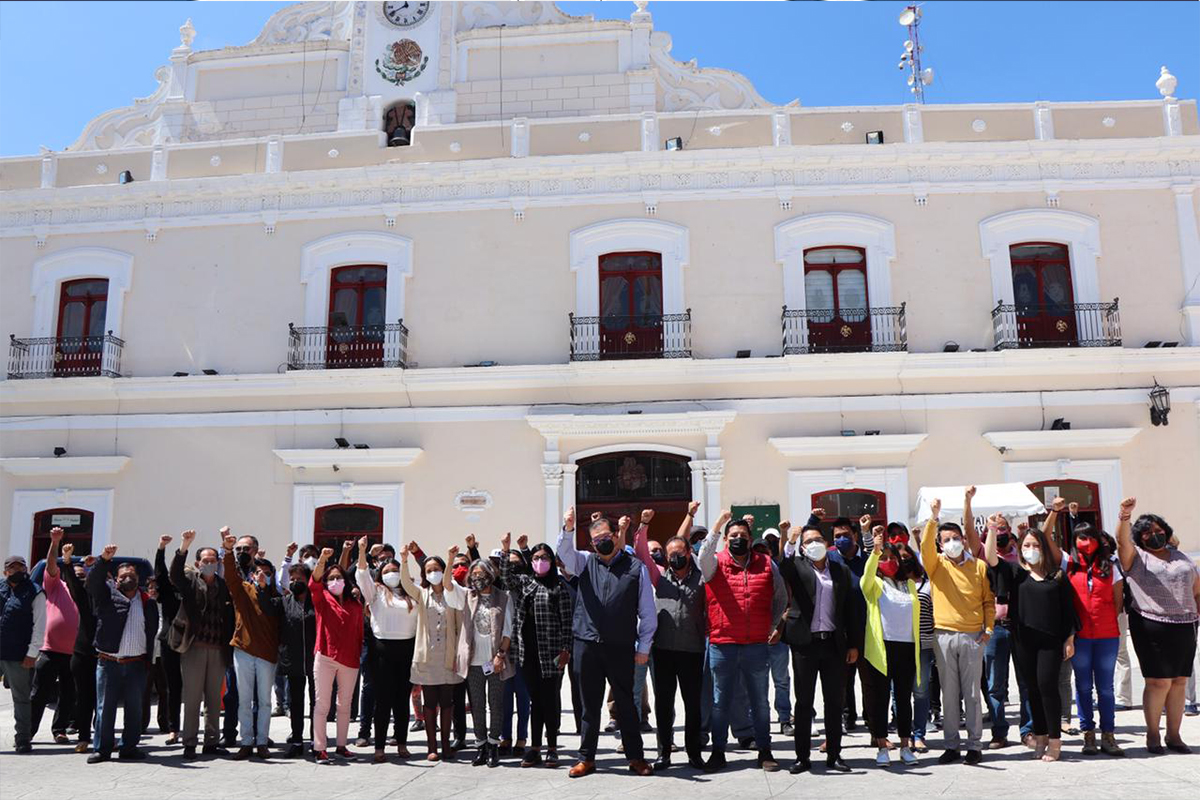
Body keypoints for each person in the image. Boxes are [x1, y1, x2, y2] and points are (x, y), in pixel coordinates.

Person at [557, 506, 657, 778]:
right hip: (586, 645)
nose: (603, 541)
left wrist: (643, 648)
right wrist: (567, 529)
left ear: (615, 536)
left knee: (626, 704)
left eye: (607, 536)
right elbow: (564, 554)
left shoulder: (635, 567)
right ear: (591, 543)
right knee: (589, 705)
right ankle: (586, 759)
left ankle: (636, 757)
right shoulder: (584, 562)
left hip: (621, 646)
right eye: (596, 538)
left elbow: (647, 611)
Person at [984, 508, 1077, 762]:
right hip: (1023, 640)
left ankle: (1055, 741)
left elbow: (1068, 611)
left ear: (1043, 548)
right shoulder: (1016, 574)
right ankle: (1041, 736)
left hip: (1050, 641)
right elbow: (991, 559)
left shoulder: (1056, 576)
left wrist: (1069, 639)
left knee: (1048, 687)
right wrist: (992, 530)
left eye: (1035, 544)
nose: (1031, 548)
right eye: (1026, 544)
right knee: (1032, 689)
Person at [699, 509, 785, 773]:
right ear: (726, 540)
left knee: (759, 701)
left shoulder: (766, 564)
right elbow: (701, 556)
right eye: (733, 535)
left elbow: (780, 598)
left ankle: (765, 750)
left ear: (750, 539)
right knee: (720, 701)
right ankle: (718, 751)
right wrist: (718, 525)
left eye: (742, 535)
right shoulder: (714, 562)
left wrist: (773, 625)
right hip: (722, 645)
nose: (738, 539)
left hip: (756, 646)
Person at [1116, 498, 1200, 754]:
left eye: (1158, 530)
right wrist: (1124, 516)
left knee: (1179, 682)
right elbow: (1122, 542)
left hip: (1186, 625)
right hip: (1151, 624)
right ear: (1140, 538)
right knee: (1158, 682)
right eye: (1148, 532)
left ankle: (1174, 736)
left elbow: (1195, 589)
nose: (1155, 535)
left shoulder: (1180, 556)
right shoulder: (1137, 557)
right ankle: (1153, 735)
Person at [780, 521, 860, 774]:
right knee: (803, 703)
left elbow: (850, 610)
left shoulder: (839, 570)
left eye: (817, 540)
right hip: (806, 644)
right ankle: (802, 757)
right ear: (803, 548)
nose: (814, 545)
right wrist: (790, 542)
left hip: (834, 645)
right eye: (808, 542)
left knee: (834, 702)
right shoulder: (797, 567)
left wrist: (853, 644)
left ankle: (834, 755)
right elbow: (783, 567)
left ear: (827, 543)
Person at [921, 497, 995, 765]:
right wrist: (933, 518)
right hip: (943, 636)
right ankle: (951, 745)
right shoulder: (936, 565)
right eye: (946, 539)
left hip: (973, 636)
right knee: (948, 693)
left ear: (963, 540)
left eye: (955, 538)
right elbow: (924, 548)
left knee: (972, 692)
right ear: (941, 544)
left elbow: (988, 601)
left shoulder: (979, 566)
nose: (951, 543)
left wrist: (988, 629)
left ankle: (975, 744)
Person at [634, 502, 707, 771]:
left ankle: (694, 753)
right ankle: (664, 752)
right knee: (664, 704)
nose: (675, 557)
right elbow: (642, 553)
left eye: (680, 553)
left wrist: (689, 516)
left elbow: (684, 537)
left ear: (688, 553)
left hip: (692, 650)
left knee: (693, 705)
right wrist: (643, 525)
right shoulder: (660, 576)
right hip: (663, 651)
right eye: (670, 554)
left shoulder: (701, 578)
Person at [495, 533, 572, 769]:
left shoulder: (559, 587)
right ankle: (535, 748)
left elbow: (567, 622)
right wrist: (506, 550)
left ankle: (551, 748)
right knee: (535, 701)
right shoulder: (526, 582)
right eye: (536, 558)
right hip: (527, 654)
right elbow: (507, 578)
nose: (540, 561)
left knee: (549, 701)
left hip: (551, 654)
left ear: (551, 561)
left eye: (545, 557)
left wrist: (566, 650)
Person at [86, 544, 158, 763]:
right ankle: (102, 749)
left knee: (134, 709)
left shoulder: (148, 603)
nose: (128, 577)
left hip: (136, 664)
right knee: (104, 708)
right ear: (116, 580)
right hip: (109, 663)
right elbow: (92, 582)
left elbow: (152, 630)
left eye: (132, 574)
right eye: (123, 575)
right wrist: (104, 560)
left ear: (139, 579)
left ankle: (129, 747)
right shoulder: (106, 597)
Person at [860, 526, 922, 767]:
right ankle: (882, 746)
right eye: (883, 558)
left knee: (904, 699)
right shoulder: (875, 584)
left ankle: (906, 746)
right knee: (880, 699)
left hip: (906, 648)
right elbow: (864, 583)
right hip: (882, 648)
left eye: (891, 558)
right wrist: (874, 553)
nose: (888, 561)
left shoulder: (910, 585)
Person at [169, 529, 234, 760]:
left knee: (215, 700)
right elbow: (175, 574)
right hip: (194, 648)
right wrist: (184, 546)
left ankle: (211, 742)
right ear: (198, 563)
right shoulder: (190, 583)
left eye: (213, 561)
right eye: (205, 561)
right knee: (193, 697)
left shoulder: (223, 585)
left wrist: (227, 548)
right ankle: (189, 743)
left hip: (218, 650)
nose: (209, 564)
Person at [446, 545, 513, 767]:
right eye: (473, 574)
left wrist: (500, 655)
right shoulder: (466, 596)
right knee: (477, 704)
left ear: (490, 575)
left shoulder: (504, 597)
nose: (478, 577)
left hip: (495, 660)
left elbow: (508, 630)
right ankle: (481, 745)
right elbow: (447, 587)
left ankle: (494, 745)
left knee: (496, 703)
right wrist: (449, 559)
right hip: (473, 661)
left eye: (481, 573)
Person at [1063, 521, 1126, 756]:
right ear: (1074, 542)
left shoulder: (1111, 566)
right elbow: (1047, 542)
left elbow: (1118, 601)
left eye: (1090, 537)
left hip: (1107, 635)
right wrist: (1056, 513)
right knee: (1083, 686)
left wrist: (1105, 620)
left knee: (1106, 688)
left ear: (1098, 540)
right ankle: (1088, 734)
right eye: (1080, 538)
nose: (1086, 543)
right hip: (1080, 637)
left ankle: (1108, 735)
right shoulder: (1069, 565)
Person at [397, 544, 464, 762]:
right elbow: (406, 583)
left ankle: (446, 745)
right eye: (428, 570)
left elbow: (458, 624)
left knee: (447, 703)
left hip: (447, 656)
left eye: (436, 568)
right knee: (429, 704)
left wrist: (451, 558)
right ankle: (431, 746)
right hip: (426, 659)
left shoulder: (452, 595)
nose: (432, 573)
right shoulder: (422, 593)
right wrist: (404, 560)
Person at [354, 536, 417, 763]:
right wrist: (362, 551)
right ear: (380, 574)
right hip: (382, 650)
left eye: (395, 570)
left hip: (407, 649)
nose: (391, 574)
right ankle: (379, 747)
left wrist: (405, 558)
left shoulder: (412, 593)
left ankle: (401, 743)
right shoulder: (376, 592)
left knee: (402, 700)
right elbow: (361, 575)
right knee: (383, 700)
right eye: (387, 570)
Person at [220, 530, 281, 759]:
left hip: (266, 653)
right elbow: (230, 576)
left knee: (265, 701)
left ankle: (262, 742)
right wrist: (227, 551)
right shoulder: (243, 590)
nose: (262, 575)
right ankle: (246, 742)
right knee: (244, 700)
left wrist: (266, 589)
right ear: (253, 574)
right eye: (258, 572)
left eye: (266, 573)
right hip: (243, 651)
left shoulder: (276, 596)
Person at [309, 546, 365, 763]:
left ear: (345, 580)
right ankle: (320, 747)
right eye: (331, 578)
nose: (335, 581)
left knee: (345, 705)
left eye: (338, 577)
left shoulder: (355, 604)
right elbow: (314, 582)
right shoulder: (321, 597)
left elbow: (360, 631)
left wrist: (358, 653)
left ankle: (341, 746)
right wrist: (323, 559)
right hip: (325, 656)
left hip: (349, 659)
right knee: (322, 704)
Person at [29, 528, 78, 745]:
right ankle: (27, 731)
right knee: (39, 693)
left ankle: (60, 730)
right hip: (49, 649)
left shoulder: (86, 592)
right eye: (74, 571)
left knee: (68, 694)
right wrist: (55, 543)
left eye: (81, 573)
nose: (77, 574)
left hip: (74, 653)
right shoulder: (57, 584)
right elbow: (50, 565)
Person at [272, 559, 316, 758]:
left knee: (317, 702)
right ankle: (297, 740)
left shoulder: (317, 601)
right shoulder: (283, 602)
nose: (295, 581)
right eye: (292, 578)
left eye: (300, 578)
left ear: (308, 580)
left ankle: (317, 741)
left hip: (316, 659)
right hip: (293, 659)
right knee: (296, 702)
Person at [1, 554, 43, 754]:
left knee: (21, 697)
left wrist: (32, 652)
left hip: (19, 653)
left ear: (26, 570)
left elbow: (40, 625)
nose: (16, 571)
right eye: (12, 568)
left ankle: (23, 738)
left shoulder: (35, 592)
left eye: (20, 567)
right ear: (5, 571)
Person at [152, 534, 183, 743]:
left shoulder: (190, 589)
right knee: (172, 685)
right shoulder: (167, 591)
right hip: (169, 641)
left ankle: (192, 728)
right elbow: (160, 572)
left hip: (191, 642)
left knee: (192, 686)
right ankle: (173, 728)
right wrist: (161, 547)